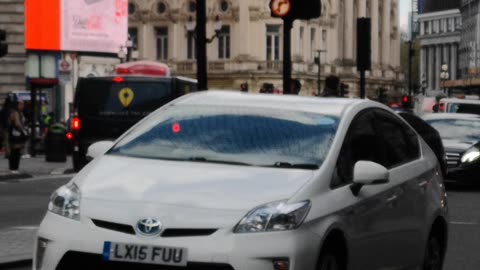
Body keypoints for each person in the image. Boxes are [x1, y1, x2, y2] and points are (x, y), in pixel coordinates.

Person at [8, 100, 28, 173]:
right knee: (15, 151)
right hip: (15, 134)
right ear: (17, 105)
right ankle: (13, 168)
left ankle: (15, 168)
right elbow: (17, 123)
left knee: (17, 151)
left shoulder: (20, 113)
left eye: (23, 104)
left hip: (17, 134)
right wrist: (23, 131)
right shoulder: (15, 112)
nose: (22, 106)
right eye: (21, 104)